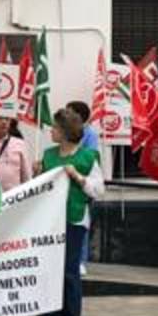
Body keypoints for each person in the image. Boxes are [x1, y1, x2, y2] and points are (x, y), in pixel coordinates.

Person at [33, 109, 103, 316]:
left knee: (68, 272)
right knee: (48, 270)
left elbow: (98, 190)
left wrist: (78, 177)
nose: (51, 131)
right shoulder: (48, 155)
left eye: (54, 127)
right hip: (50, 221)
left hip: (73, 218)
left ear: (64, 131)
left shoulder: (88, 157)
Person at [65, 101, 101, 275]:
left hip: (82, 182)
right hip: (67, 184)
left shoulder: (90, 134)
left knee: (82, 222)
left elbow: (91, 156)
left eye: (70, 112)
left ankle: (81, 259)